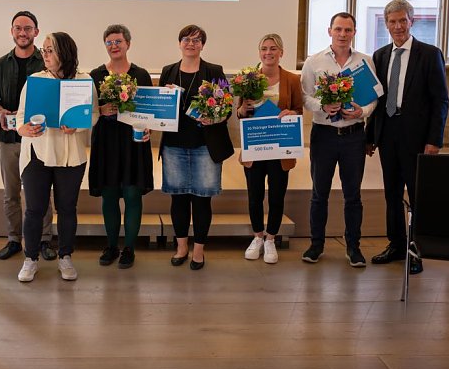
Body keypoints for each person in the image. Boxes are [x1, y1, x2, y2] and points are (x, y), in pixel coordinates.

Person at [366, 0, 449, 275]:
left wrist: (434, 139)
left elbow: (440, 101)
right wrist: (370, 137)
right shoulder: (379, 56)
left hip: (418, 138)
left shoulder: (429, 54)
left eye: (403, 21)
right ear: (386, 24)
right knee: (391, 194)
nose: (398, 26)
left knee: (417, 196)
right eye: (392, 22)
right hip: (388, 134)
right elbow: (375, 101)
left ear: (411, 22)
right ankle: (396, 245)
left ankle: (417, 251)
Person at [15, 32, 98, 282]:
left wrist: (79, 125)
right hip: (37, 153)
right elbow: (20, 116)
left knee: (67, 208)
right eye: (45, 50)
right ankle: (30, 259)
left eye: (50, 50)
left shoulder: (84, 80)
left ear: (65, 52)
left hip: (71, 156)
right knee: (34, 210)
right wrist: (23, 129)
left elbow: (94, 114)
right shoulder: (35, 80)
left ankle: (65, 257)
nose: (45, 55)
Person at [301, 12, 377, 267]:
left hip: (354, 137)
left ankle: (353, 247)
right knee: (318, 194)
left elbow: (374, 96)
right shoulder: (314, 62)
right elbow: (305, 97)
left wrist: (362, 112)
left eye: (348, 30)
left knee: (352, 195)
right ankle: (316, 245)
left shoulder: (365, 61)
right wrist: (323, 105)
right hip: (323, 136)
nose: (343, 34)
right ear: (329, 31)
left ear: (354, 32)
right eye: (338, 29)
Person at [159, 25, 234, 271]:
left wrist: (216, 118)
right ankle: (181, 247)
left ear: (203, 44)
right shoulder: (168, 71)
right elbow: (160, 108)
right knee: (178, 199)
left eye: (196, 40)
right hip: (174, 145)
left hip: (205, 145)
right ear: (179, 43)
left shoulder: (214, 71)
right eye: (186, 39)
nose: (191, 43)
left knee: (202, 201)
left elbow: (227, 108)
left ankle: (199, 250)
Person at [0, 11, 56, 262]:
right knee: (11, 192)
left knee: (40, 192)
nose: (22, 32)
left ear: (36, 32)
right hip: (8, 139)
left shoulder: (46, 62)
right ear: (12, 31)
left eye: (28, 28)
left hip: (39, 138)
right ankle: (14, 239)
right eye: (18, 28)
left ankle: (45, 240)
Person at [89, 24, 153, 269]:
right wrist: (101, 110)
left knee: (132, 194)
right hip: (106, 142)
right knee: (109, 196)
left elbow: (151, 112)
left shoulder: (141, 74)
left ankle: (129, 249)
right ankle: (112, 245)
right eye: (109, 42)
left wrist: (149, 128)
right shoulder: (95, 75)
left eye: (118, 41)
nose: (114, 46)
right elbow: (89, 111)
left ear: (128, 43)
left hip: (133, 142)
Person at [239, 34, 303, 264]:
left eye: (273, 48)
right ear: (259, 52)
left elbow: (298, 110)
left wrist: (293, 113)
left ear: (281, 52)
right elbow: (239, 112)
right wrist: (244, 108)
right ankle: (257, 236)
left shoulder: (292, 80)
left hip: (280, 148)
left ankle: (271, 239)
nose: (268, 52)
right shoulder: (248, 79)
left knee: (277, 196)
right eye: (264, 48)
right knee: (254, 196)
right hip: (255, 147)